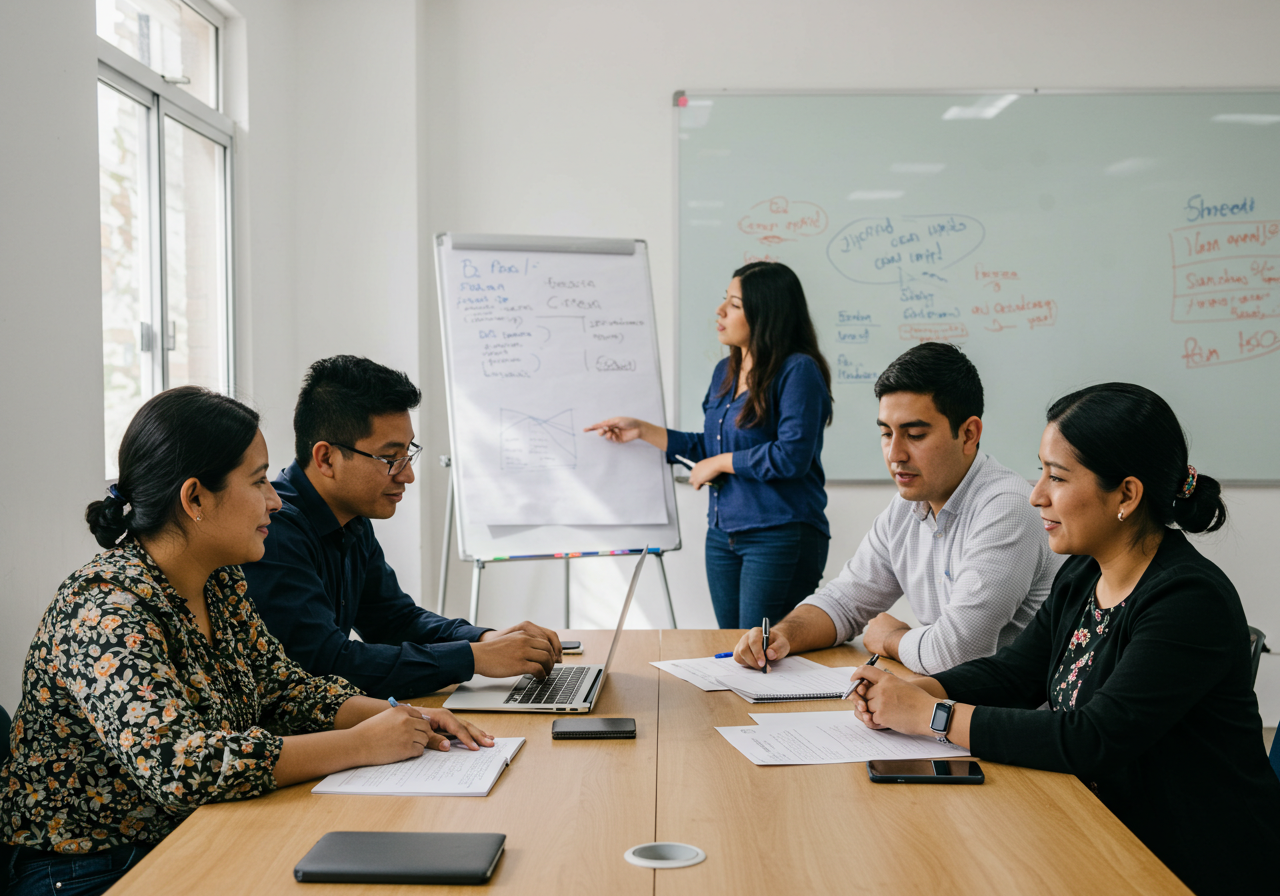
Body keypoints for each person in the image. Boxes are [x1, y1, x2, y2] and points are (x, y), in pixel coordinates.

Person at [0, 387, 491, 896]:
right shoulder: (104, 609)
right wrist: (360, 744)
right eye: (259, 482)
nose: (275, 500)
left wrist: (397, 714)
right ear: (194, 498)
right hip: (88, 869)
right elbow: (181, 767)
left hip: (190, 834)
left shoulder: (220, 581)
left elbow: (285, 690)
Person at [844, 383, 1280, 895]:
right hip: (1105, 827)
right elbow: (1015, 674)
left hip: (1190, 862)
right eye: (1040, 470)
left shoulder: (1187, 600)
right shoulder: (1082, 574)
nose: (1036, 494)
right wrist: (926, 691)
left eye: (1057, 476)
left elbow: (1090, 738)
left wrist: (930, 717)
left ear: (1127, 494)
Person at [242, 356, 563, 698]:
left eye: (408, 453)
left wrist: (484, 639)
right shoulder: (275, 533)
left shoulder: (351, 518)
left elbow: (394, 620)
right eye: (390, 458)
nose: (407, 474)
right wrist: (473, 658)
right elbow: (326, 663)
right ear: (326, 459)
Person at [734, 341, 1063, 674]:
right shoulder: (907, 507)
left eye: (915, 434)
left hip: (1007, 717)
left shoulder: (1007, 508)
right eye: (886, 433)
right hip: (946, 703)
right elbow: (844, 602)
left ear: (968, 434)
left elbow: (958, 653)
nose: (895, 454)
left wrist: (892, 637)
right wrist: (782, 635)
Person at [587, 261, 833, 628]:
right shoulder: (726, 372)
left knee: (761, 656)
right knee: (732, 651)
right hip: (723, 536)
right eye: (725, 300)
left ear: (767, 313)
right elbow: (710, 446)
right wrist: (641, 429)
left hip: (780, 534)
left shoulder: (798, 371)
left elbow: (791, 456)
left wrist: (721, 464)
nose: (720, 311)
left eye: (734, 304)